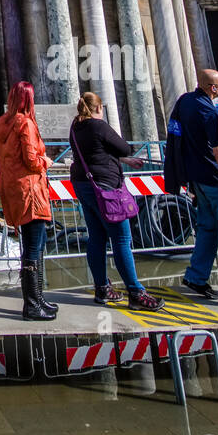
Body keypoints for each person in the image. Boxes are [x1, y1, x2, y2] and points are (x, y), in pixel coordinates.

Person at [69, 92, 163, 310]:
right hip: (106, 188)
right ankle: (136, 292)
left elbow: (95, 152)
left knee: (96, 238)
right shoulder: (98, 126)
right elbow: (124, 147)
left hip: (84, 184)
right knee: (121, 239)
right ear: (99, 108)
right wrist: (126, 155)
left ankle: (102, 288)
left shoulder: (76, 127)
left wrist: (124, 159)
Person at [172, 69, 218, 305]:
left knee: (208, 229)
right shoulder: (210, 112)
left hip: (197, 178)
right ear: (213, 88)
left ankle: (197, 277)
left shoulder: (185, 101)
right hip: (216, 180)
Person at [0, 81, 57, 321]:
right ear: (28, 100)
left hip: (14, 190)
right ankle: (32, 305)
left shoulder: (3, 124)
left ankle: (38, 298)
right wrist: (46, 162)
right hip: (30, 191)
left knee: (35, 246)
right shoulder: (25, 123)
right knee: (33, 249)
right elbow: (31, 159)